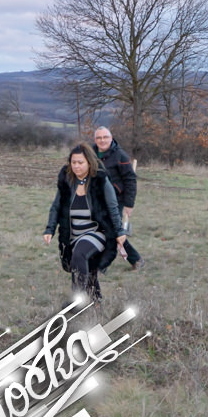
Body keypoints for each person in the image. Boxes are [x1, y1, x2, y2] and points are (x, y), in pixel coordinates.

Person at [43, 143, 126, 303]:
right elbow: (56, 206)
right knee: (87, 267)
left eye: (80, 162)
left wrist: (119, 231)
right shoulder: (67, 182)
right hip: (73, 235)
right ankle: (96, 302)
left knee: (79, 254)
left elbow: (113, 207)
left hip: (97, 232)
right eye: (73, 162)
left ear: (89, 162)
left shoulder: (100, 181)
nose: (76, 166)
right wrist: (49, 229)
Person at [92, 126, 143, 270]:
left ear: (111, 138)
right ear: (95, 140)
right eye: (99, 138)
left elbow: (130, 180)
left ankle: (102, 265)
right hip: (96, 199)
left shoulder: (120, 156)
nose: (102, 140)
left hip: (115, 200)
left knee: (112, 231)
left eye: (105, 137)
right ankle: (135, 259)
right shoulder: (90, 154)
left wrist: (129, 204)